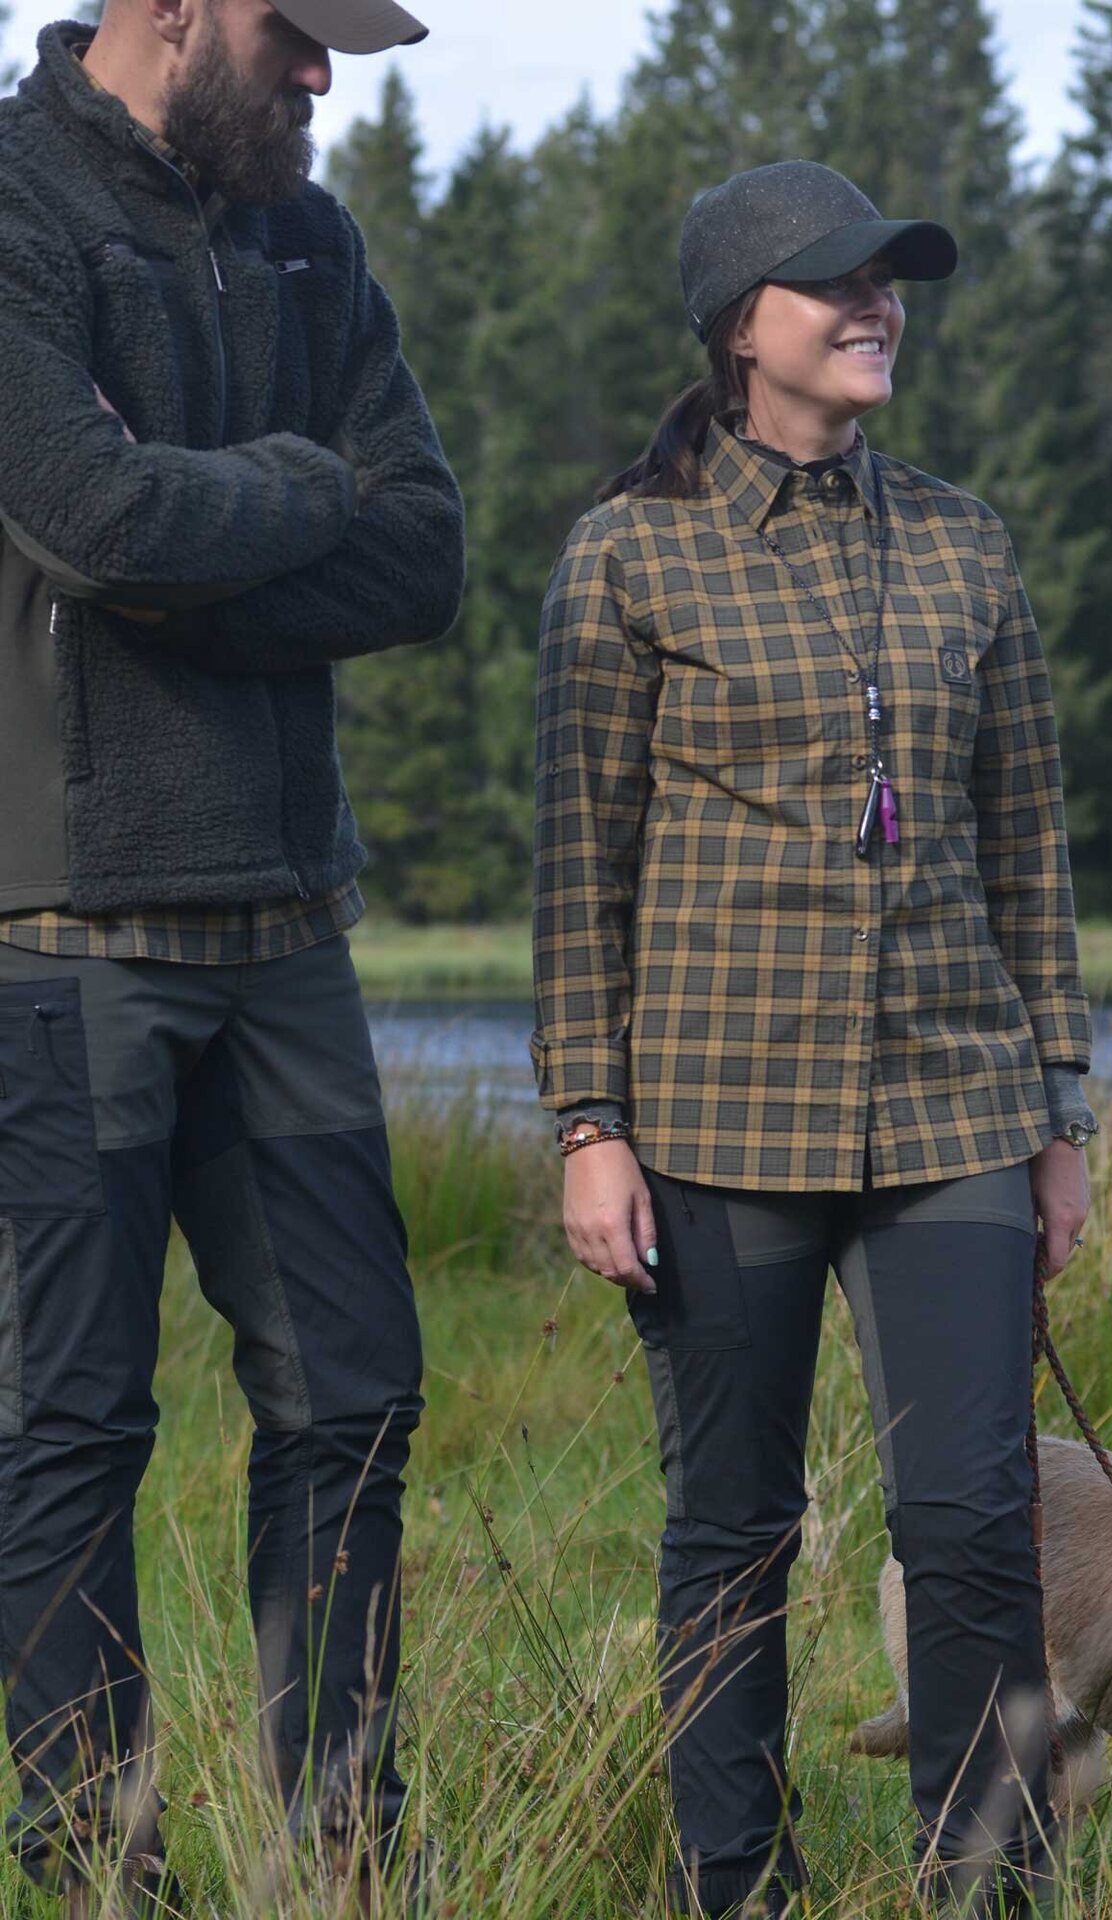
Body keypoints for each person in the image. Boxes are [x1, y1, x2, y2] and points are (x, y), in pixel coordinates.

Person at [531, 160, 1097, 1918]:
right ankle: (735, 1882)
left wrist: (1060, 1114)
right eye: (836, 283)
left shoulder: (963, 540)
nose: (876, 308)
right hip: (711, 1120)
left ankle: (988, 1886)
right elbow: (580, 865)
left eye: (888, 280)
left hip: (958, 1110)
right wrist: (588, 1123)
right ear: (737, 326)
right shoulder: (629, 551)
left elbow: (1027, 847)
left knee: (974, 1521)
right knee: (732, 1527)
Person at [0, 0, 464, 1912]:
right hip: (62, 937)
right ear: (171, 7)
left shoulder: (312, 239)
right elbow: (96, 520)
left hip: (288, 932)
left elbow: (422, 555)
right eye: (297, 30)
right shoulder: (13, 211)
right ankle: (95, 1873)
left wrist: (218, 544)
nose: (326, 74)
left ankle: (345, 1858)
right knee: (71, 1421)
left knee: (355, 1403)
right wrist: (302, 488)